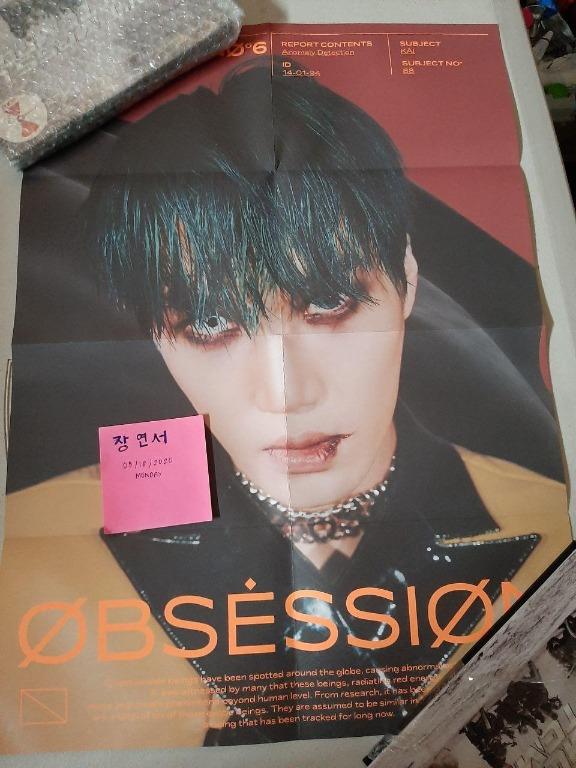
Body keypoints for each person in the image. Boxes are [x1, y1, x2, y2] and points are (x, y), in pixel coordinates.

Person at [0, 63, 571, 751]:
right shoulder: (31, 552)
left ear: (407, 281)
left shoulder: (550, 523)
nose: (286, 395)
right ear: (152, 331)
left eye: (329, 303)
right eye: (209, 324)